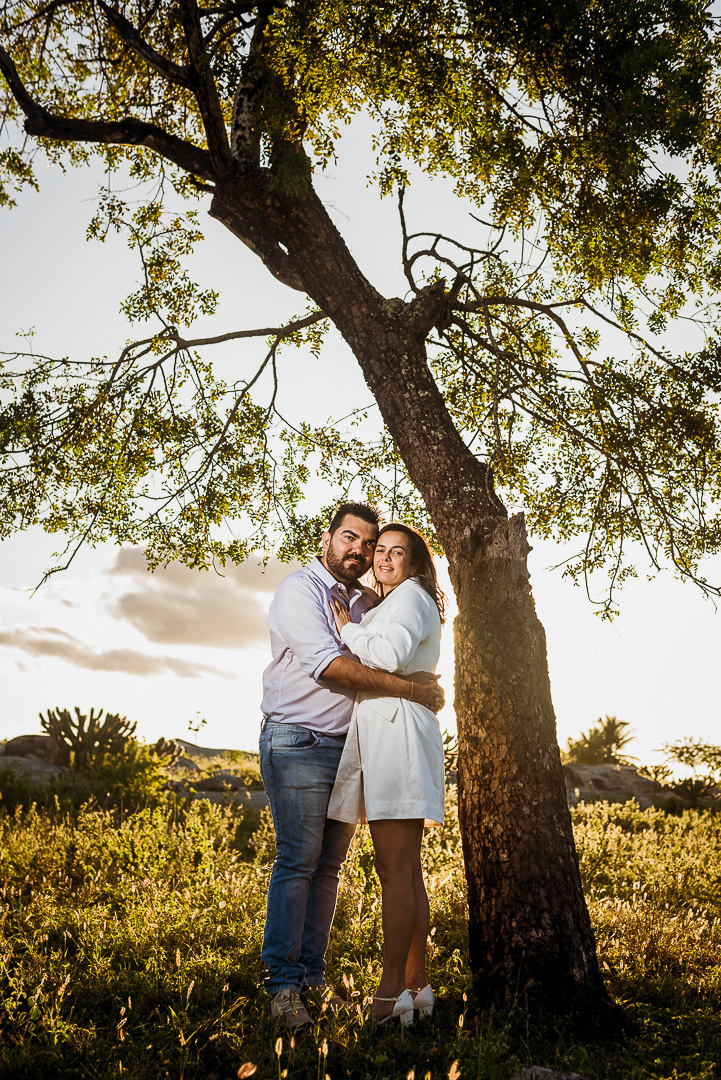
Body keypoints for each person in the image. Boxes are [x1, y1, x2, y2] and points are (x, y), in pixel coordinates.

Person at [259, 504, 444, 1028]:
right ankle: (283, 987)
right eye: (353, 539)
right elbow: (334, 664)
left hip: (350, 746)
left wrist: (414, 682)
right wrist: (413, 690)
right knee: (298, 862)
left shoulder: (370, 600)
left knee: (331, 868)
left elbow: (389, 649)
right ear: (328, 538)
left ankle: (314, 981)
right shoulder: (302, 591)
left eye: (375, 545)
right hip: (298, 739)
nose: (361, 552)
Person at [327, 522, 445, 1025]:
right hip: (396, 728)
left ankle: (388, 992)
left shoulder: (411, 599)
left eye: (398, 553)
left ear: (416, 563)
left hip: (396, 731)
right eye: (381, 551)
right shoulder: (399, 600)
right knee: (406, 871)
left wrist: (349, 630)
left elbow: (392, 656)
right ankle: (416, 987)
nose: (384, 559)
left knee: (395, 871)